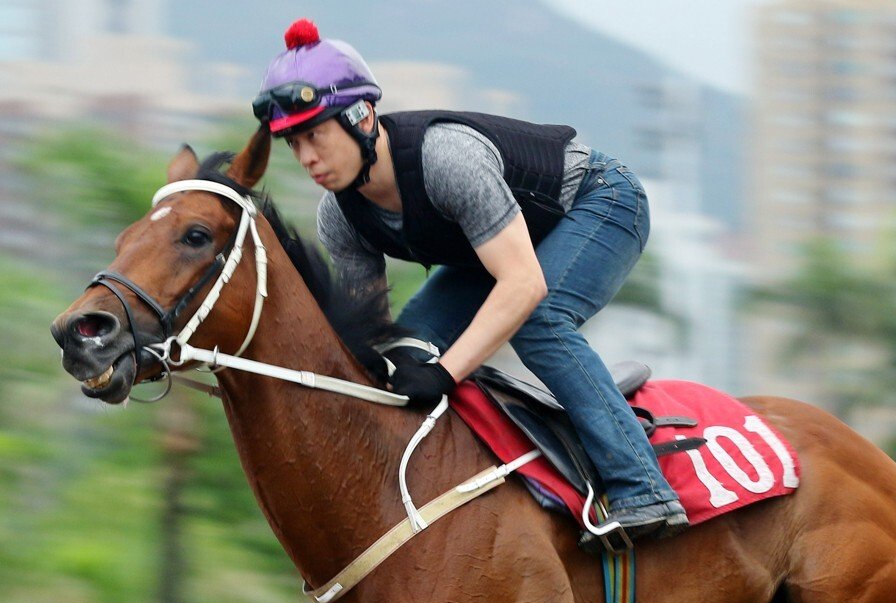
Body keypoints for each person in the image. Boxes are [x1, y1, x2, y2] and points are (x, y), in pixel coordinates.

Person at [252, 18, 687, 543]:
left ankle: (643, 485)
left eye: (315, 136)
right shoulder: (339, 218)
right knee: (408, 353)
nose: (307, 160)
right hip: (501, 250)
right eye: (292, 144)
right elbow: (371, 340)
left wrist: (446, 373)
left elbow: (524, 284)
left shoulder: (445, 159)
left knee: (538, 321)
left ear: (362, 117)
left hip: (600, 203)